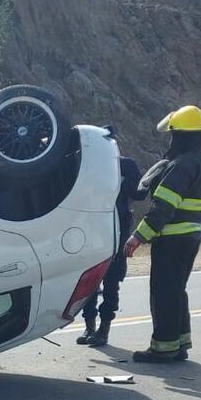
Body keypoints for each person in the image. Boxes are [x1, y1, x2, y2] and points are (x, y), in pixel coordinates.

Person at [124, 105, 201, 362]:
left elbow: (162, 208)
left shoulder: (181, 165)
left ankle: (163, 348)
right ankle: (180, 344)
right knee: (177, 290)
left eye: (173, 135)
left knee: (163, 292)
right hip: (191, 237)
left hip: (171, 239)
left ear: (180, 136)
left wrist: (138, 237)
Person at [76, 127, 147, 347]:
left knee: (109, 281)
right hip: (94, 230)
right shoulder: (87, 165)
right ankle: (90, 328)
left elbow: (138, 193)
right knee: (90, 280)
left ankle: (102, 331)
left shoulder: (123, 165)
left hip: (113, 230)